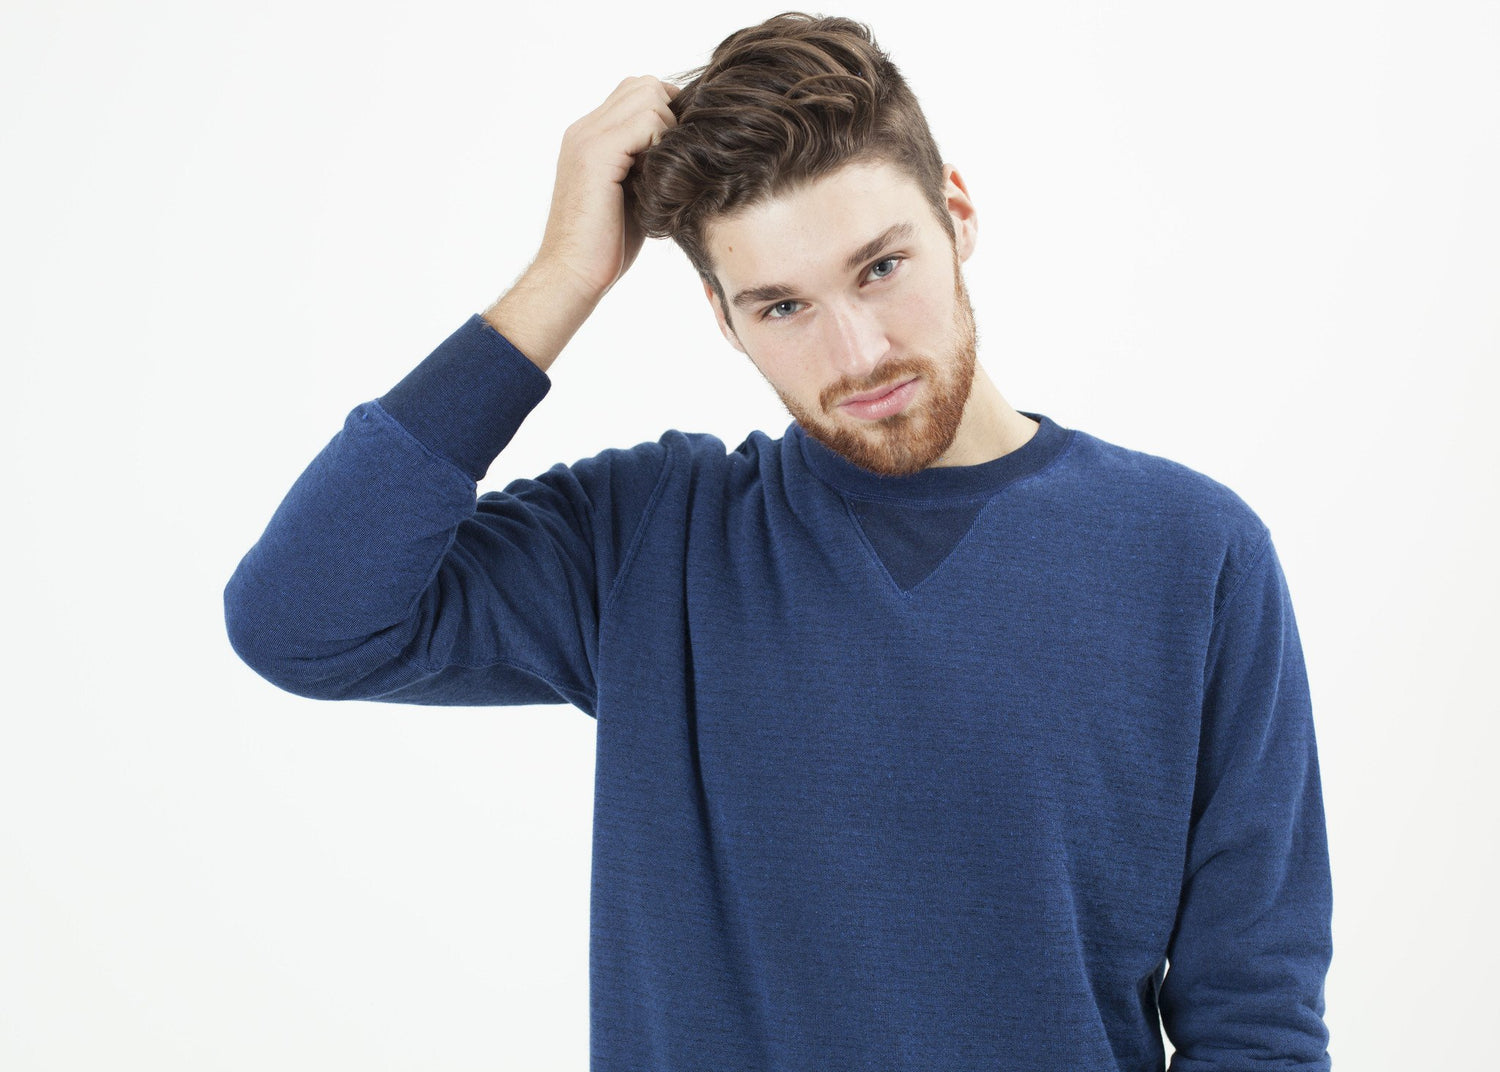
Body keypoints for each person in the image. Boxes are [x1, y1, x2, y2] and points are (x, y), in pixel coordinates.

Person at [224, 12, 1333, 1071]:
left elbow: (1256, 1022)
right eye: (782, 307)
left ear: (957, 215)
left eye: (881, 267)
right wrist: (563, 276)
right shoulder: (649, 540)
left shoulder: (1192, 557)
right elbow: (301, 623)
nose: (859, 354)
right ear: (723, 318)